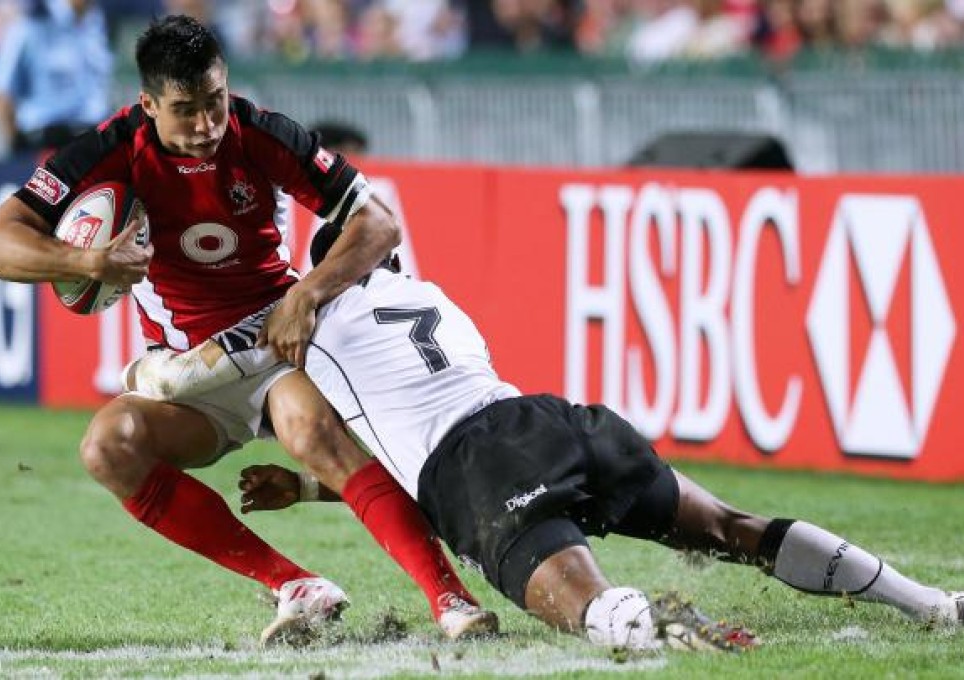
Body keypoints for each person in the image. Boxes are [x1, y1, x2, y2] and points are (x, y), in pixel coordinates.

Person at [125, 222, 963, 653]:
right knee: (732, 527)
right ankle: (930, 605)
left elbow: (178, 377)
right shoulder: (429, 293)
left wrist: (146, 369)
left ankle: (669, 628)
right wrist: (311, 488)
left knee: (587, 604)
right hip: (553, 421)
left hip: (474, 466)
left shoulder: (304, 319)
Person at [0, 15, 496, 646]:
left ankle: (451, 600)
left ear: (227, 85)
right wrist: (87, 261)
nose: (206, 126)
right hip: (191, 369)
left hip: (274, 342)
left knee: (313, 432)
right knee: (106, 448)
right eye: (185, 110)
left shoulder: (263, 132)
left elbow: (378, 223)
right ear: (147, 105)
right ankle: (296, 585)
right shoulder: (108, 149)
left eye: (215, 101)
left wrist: (305, 295)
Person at [0, 0, 114, 157]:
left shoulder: (98, 22)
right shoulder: (33, 23)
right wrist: (16, 151)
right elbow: (2, 91)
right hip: (47, 145)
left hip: (95, 142)